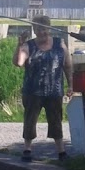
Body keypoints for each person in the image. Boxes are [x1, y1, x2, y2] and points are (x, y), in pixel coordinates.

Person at [13, 14, 73, 161]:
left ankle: (61, 151)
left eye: (45, 29)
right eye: (39, 29)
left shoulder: (60, 44)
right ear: (34, 29)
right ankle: (27, 149)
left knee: (56, 120)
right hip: (33, 91)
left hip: (54, 90)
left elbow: (67, 65)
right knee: (30, 120)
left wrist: (71, 85)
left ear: (49, 29)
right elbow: (19, 63)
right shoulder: (29, 46)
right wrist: (19, 45)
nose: (42, 33)